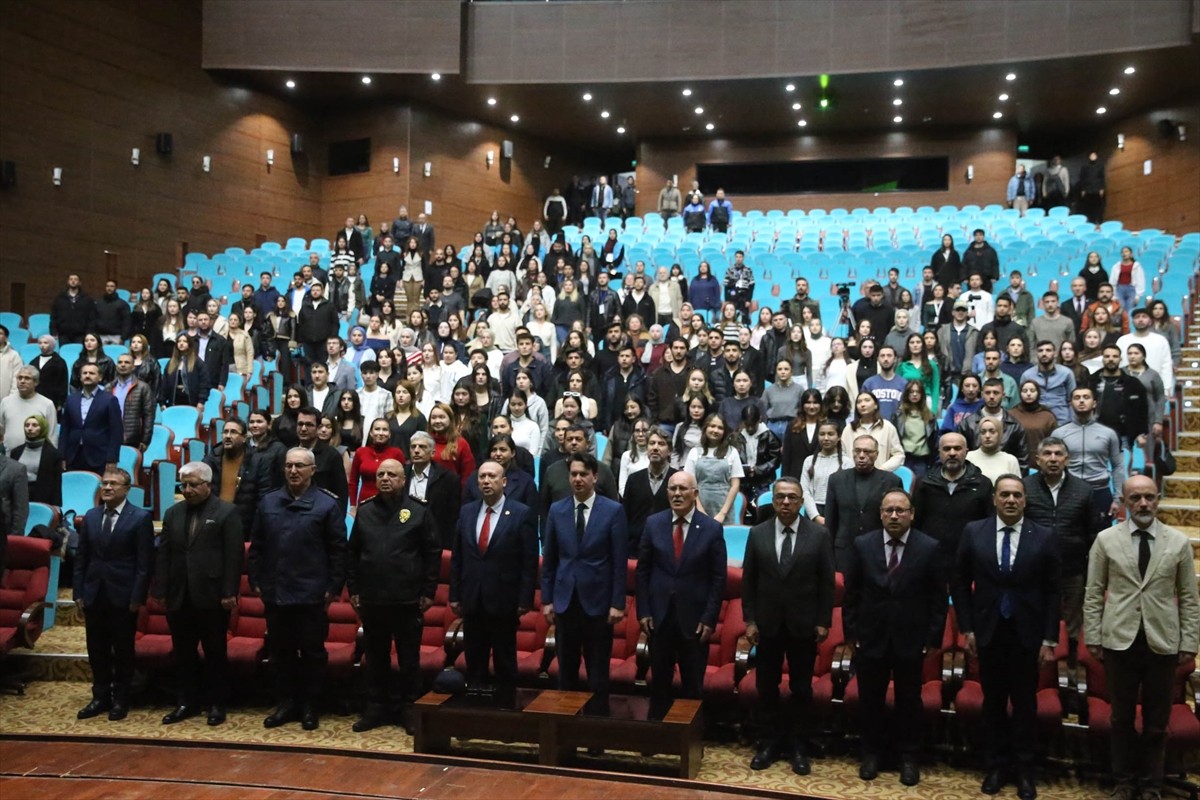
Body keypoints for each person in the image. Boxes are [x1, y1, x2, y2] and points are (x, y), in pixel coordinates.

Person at [1084, 475, 1200, 800]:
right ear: (1124, 502)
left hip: (1162, 641)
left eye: (1149, 497)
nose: (1143, 504)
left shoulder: (1176, 542)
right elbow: (1093, 592)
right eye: (1135, 498)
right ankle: (1124, 781)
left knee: (1156, 721)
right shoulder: (1106, 540)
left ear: (1159, 498)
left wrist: (1189, 642)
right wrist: (1093, 635)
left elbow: (1189, 598)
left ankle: (1151, 784)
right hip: (1118, 641)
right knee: (1120, 718)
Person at [954, 475, 1061, 800]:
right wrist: (967, 628)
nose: (1011, 500)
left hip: (1027, 635)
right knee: (994, 704)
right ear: (995, 499)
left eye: (1017, 495)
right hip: (988, 632)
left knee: (1026, 705)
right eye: (1005, 495)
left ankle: (1025, 770)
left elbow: (1053, 592)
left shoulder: (1044, 536)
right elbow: (959, 583)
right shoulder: (975, 532)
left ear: (1025, 500)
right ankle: (997, 766)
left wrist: (1049, 639)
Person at [843, 488, 946, 787]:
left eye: (901, 510)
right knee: (870, 700)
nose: (894, 515)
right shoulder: (863, 545)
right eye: (888, 510)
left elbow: (939, 598)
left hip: (911, 640)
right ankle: (871, 753)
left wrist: (932, 638)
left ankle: (908, 757)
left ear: (912, 513)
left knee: (909, 702)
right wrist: (851, 633)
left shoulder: (929, 547)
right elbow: (852, 594)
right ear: (880, 514)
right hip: (870, 638)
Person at [249, 447, 347, 731]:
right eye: (289, 466)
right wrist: (256, 580)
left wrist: (333, 588)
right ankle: (286, 703)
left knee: (312, 653)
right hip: (276, 592)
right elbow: (257, 546)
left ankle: (310, 704)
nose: (293, 471)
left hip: (312, 594)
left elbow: (338, 551)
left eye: (300, 466)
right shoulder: (268, 502)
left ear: (312, 471)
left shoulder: (327, 505)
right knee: (281, 652)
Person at [742, 477, 835, 774]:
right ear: (772, 499)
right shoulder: (757, 533)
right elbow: (749, 582)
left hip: (804, 625)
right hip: (767, 625)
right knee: (766, 686)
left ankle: (798, 744)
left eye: (792, 498)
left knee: (800, 688)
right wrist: (750, 620)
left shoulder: (818, 535)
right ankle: (769, 742)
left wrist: (823, 621)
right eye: (780, 497)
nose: (785, 502)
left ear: (800, 501)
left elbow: (826, 583)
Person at [346, 458, 440, 731]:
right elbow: (352, 554)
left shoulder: (418, 511)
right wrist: (353, 590)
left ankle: (410, 707)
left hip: (407, 599)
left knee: (409, 658)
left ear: (403, 480)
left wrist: (428, 591)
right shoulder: (365, 512)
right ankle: (377, 707)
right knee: (376, 657)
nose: (385, 478)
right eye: (381, 474)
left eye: (392, 474)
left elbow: (432, 553)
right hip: (373, 599)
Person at [152, 462, 243, 727]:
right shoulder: (173, 513)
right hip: (179, 595)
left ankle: (216, 703)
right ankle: (186, 701)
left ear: (207, 485)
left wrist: (229, 591)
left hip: (213, 596)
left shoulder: (227, 512)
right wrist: (160, 589)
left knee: (215, 652)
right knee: (183, 652)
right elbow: (165, 554)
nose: (188, 490)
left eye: (193, 485)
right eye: (184, 485)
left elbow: (234, 556)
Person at [541, 452, 628, 716]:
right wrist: (547, 600)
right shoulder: (557, 510)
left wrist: (617, 603)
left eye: (583, 474)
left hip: (599, 604)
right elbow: (550, 559)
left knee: (597, 672)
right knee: (565, 671)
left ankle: (595, 731)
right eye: (573, 475)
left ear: (595, 477)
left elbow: (618, 561)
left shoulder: (612, 511)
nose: (578, 479)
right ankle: (564, 728)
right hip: (565, 601)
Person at [636, 471, 726, 720]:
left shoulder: (711, 529)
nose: (677, 494)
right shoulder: (653, 523)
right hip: (659, 618)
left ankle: (689, 744)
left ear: (695, 494)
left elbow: (718, 579)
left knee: (692, 686)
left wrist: (709, 619)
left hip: (695, 621)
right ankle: (656, 737)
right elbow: (642, 571)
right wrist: (643, 610)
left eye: (683, 489)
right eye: (673, 489)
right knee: (659, 683)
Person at [449, 459, 538, 703]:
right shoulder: (467, 511)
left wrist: (524, 599)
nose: (486, 481)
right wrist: (454, 594)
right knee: (474, 660)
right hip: (472, 599)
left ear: (504, 482)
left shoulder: (521, 513)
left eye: (492, 477)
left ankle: (506, 715)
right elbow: (458, 557)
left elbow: (529, 561)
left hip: (504, 601)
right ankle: (475, 712)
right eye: (482, 477)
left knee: (504, 661)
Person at [73, 468, 154, 721]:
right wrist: (78, 591)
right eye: (104, 484)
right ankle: (99, 697)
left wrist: (137, 597)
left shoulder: (139, 518)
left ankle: (121, 698)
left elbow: (144, 564)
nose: (107, 488)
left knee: (122, 651)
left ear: (126, 489)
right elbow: (81, 558)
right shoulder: (91, 516)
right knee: (96, 649)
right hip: (94, 592)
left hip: (123, 595)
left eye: (113, 484)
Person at [1020, 437, 1094, 664]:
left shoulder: (1084, 491)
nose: (1053, 459)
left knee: (1072, 625)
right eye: (1048, 454)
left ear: (1067, 459)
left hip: (1072, 570)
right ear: (1038, 459)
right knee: (1033, 620)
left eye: (1058, 454)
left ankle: (1070, 669)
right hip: (1034, 571)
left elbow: (1092, 535)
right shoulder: (1025, 488)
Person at [912, 432, 993, 578]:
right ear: (939, 452)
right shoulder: (924, 483)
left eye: (957, 448)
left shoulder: (983, 484)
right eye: (947, 449)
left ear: (966, 451)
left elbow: (988, 523)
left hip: (969, 556)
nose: (952, 453)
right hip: (931, 556)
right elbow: (915, 522)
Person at [825, 434, 903, 569]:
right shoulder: (836, 480)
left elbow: (898, 520)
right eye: (857, 451)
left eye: (867, 451)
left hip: (878, 551)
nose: (861, 455)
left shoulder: (892, 481)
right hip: (844, 551)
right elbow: (831, 521)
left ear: (877, 454)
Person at [1056, 386, 1126, 534]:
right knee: (1068, 539)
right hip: (1069, 491)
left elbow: (1118, 466)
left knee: (1101, 540)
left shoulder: (1108, 434)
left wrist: (1118, 499)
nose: (1081, 401)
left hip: (1099, 492)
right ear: (1071, 403)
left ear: (1094, 403)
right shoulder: (1059, 434)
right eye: (1077, 398)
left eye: (1086, 397)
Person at [60, 363, 123, 475]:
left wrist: (112, 459)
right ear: (80, 377)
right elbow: (65, 429)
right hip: (73, 455)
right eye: (84, 373)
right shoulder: (71, 400)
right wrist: (62, 456)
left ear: (100, 377)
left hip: (99, 456)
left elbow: (116, 432)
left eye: (92, 373)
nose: (87, 376)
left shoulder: (109, 400)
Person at [405, 431, 461, 551]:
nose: (416, 450)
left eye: (422, 447)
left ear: (433, 453)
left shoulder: (448, 479)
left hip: (434, 541)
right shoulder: (401, 475)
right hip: (404, 538)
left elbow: (452, 518)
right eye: (413, 446)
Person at [683, 414, 743, 524]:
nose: (715, 430)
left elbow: (735, 485)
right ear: (705, 428)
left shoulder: (732, 452)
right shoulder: (694, 452)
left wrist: (723, 513)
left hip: (724, 509)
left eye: (720, 428)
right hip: (698, 507)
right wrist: (700, 511)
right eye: (712, 426)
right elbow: (690, 484)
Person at [1090, 344, 1150, 449]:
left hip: (1124, 436)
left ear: (1120, 359)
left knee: (1123, 465)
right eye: (1107, 356)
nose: (1111, 359)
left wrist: (1141, 433)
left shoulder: (1133, 384)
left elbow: (1143, 410)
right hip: (1095, 435)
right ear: (1102, 359)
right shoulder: (1091, 381)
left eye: (1115, 356)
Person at [841, 392, 904, 472]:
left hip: (880, 476)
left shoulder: (888, 427)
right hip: (853, 476)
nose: (862, 404)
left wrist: (883, 469)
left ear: (876, 405)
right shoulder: (849, 428)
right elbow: (842, 454)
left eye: (867, 400)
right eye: (859, 402)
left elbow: (898, 455)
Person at [1, 366, 58, 453]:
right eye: (19, 378)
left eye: (27, 378)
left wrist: (53, 459)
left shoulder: (47, 404)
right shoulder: (6, 402)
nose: (22, 381)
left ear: (36, 382)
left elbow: (52, 435)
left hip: (37, 457)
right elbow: (1, 429)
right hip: (9, 456)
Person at [1021, 340, 1075, 425]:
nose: (1044, 354)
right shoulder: (1027, 375)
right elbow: (1022, 401)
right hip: (1036, 420)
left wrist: (1072, 422)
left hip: (1062, 420)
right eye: (1040, 351)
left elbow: (1072, 400)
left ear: (1055, 353)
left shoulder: (1066, 373)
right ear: (1036, 354)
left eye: (1048, 350)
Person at [110, 354, 155, 451]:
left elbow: (149, 415)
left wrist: (145, 440)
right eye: (120, 362)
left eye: (127, 362)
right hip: (110, 438)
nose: (123, 365)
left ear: (133, 367)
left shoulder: (143, 387)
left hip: (133, 439)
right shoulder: (108, 388)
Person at [1008, 380, 1059, 456]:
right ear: (1020, 393)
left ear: (1038, 393)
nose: (1028, 394)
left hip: (1042, 458)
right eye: (1025, 391)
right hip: (1017, 458)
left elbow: (1054, 442)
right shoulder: (1011, 414)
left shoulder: (1048, 416)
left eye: (1032, 391)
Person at [966, 418, 1021, 484]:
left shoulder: (1010, 460)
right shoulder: (968, 457)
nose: (987, 436)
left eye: (992, 432)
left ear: (1000, 434)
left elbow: (1016, 487)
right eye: (983, 432)